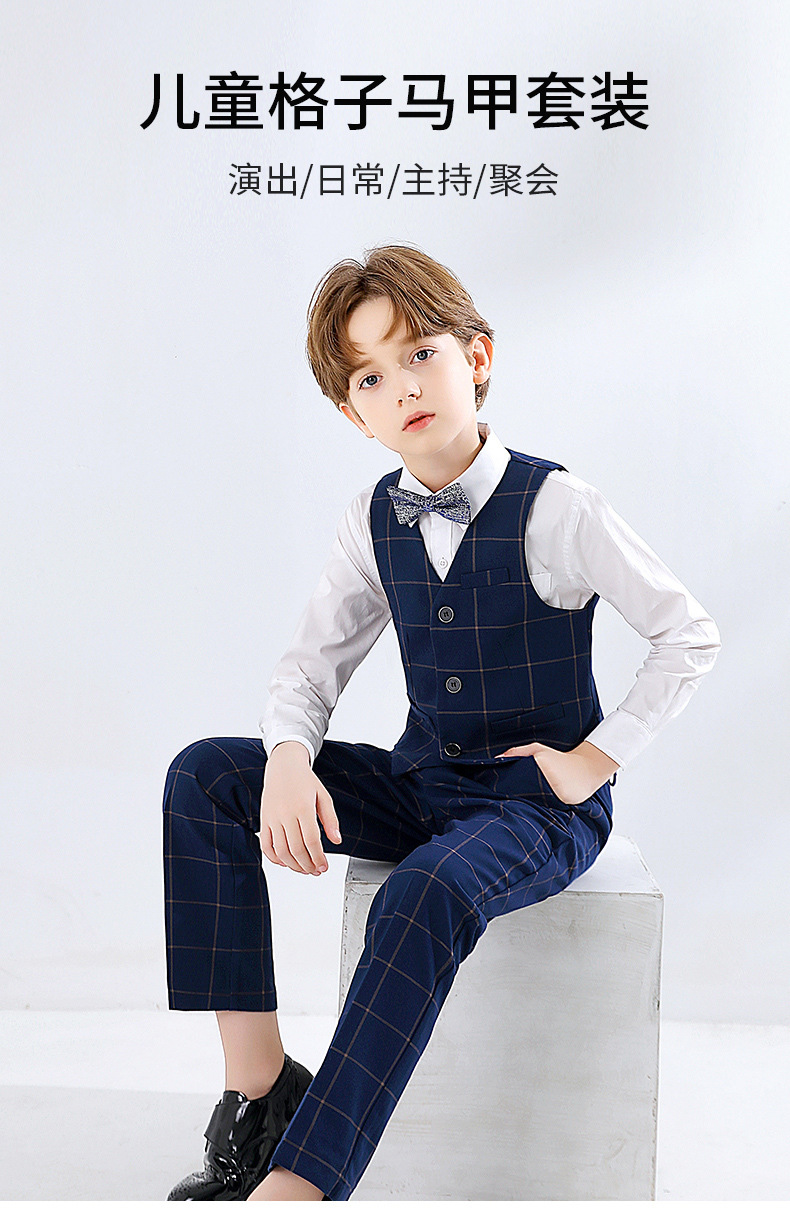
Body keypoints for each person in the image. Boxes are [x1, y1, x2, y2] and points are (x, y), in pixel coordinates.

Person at [163, 244, 721, 1202]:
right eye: (371, 377)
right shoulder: (371, 519)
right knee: (205, 775)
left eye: (421, 353)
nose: (404, 387)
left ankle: (301, 1180)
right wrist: (289, 757)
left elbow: (687, 634)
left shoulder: (558, 507)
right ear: (355, 414)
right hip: (421, 784)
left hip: (533, 807)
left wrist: (596, 760)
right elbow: (312, 666)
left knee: (421, 893)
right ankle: (259, 1088)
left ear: (478, 356)